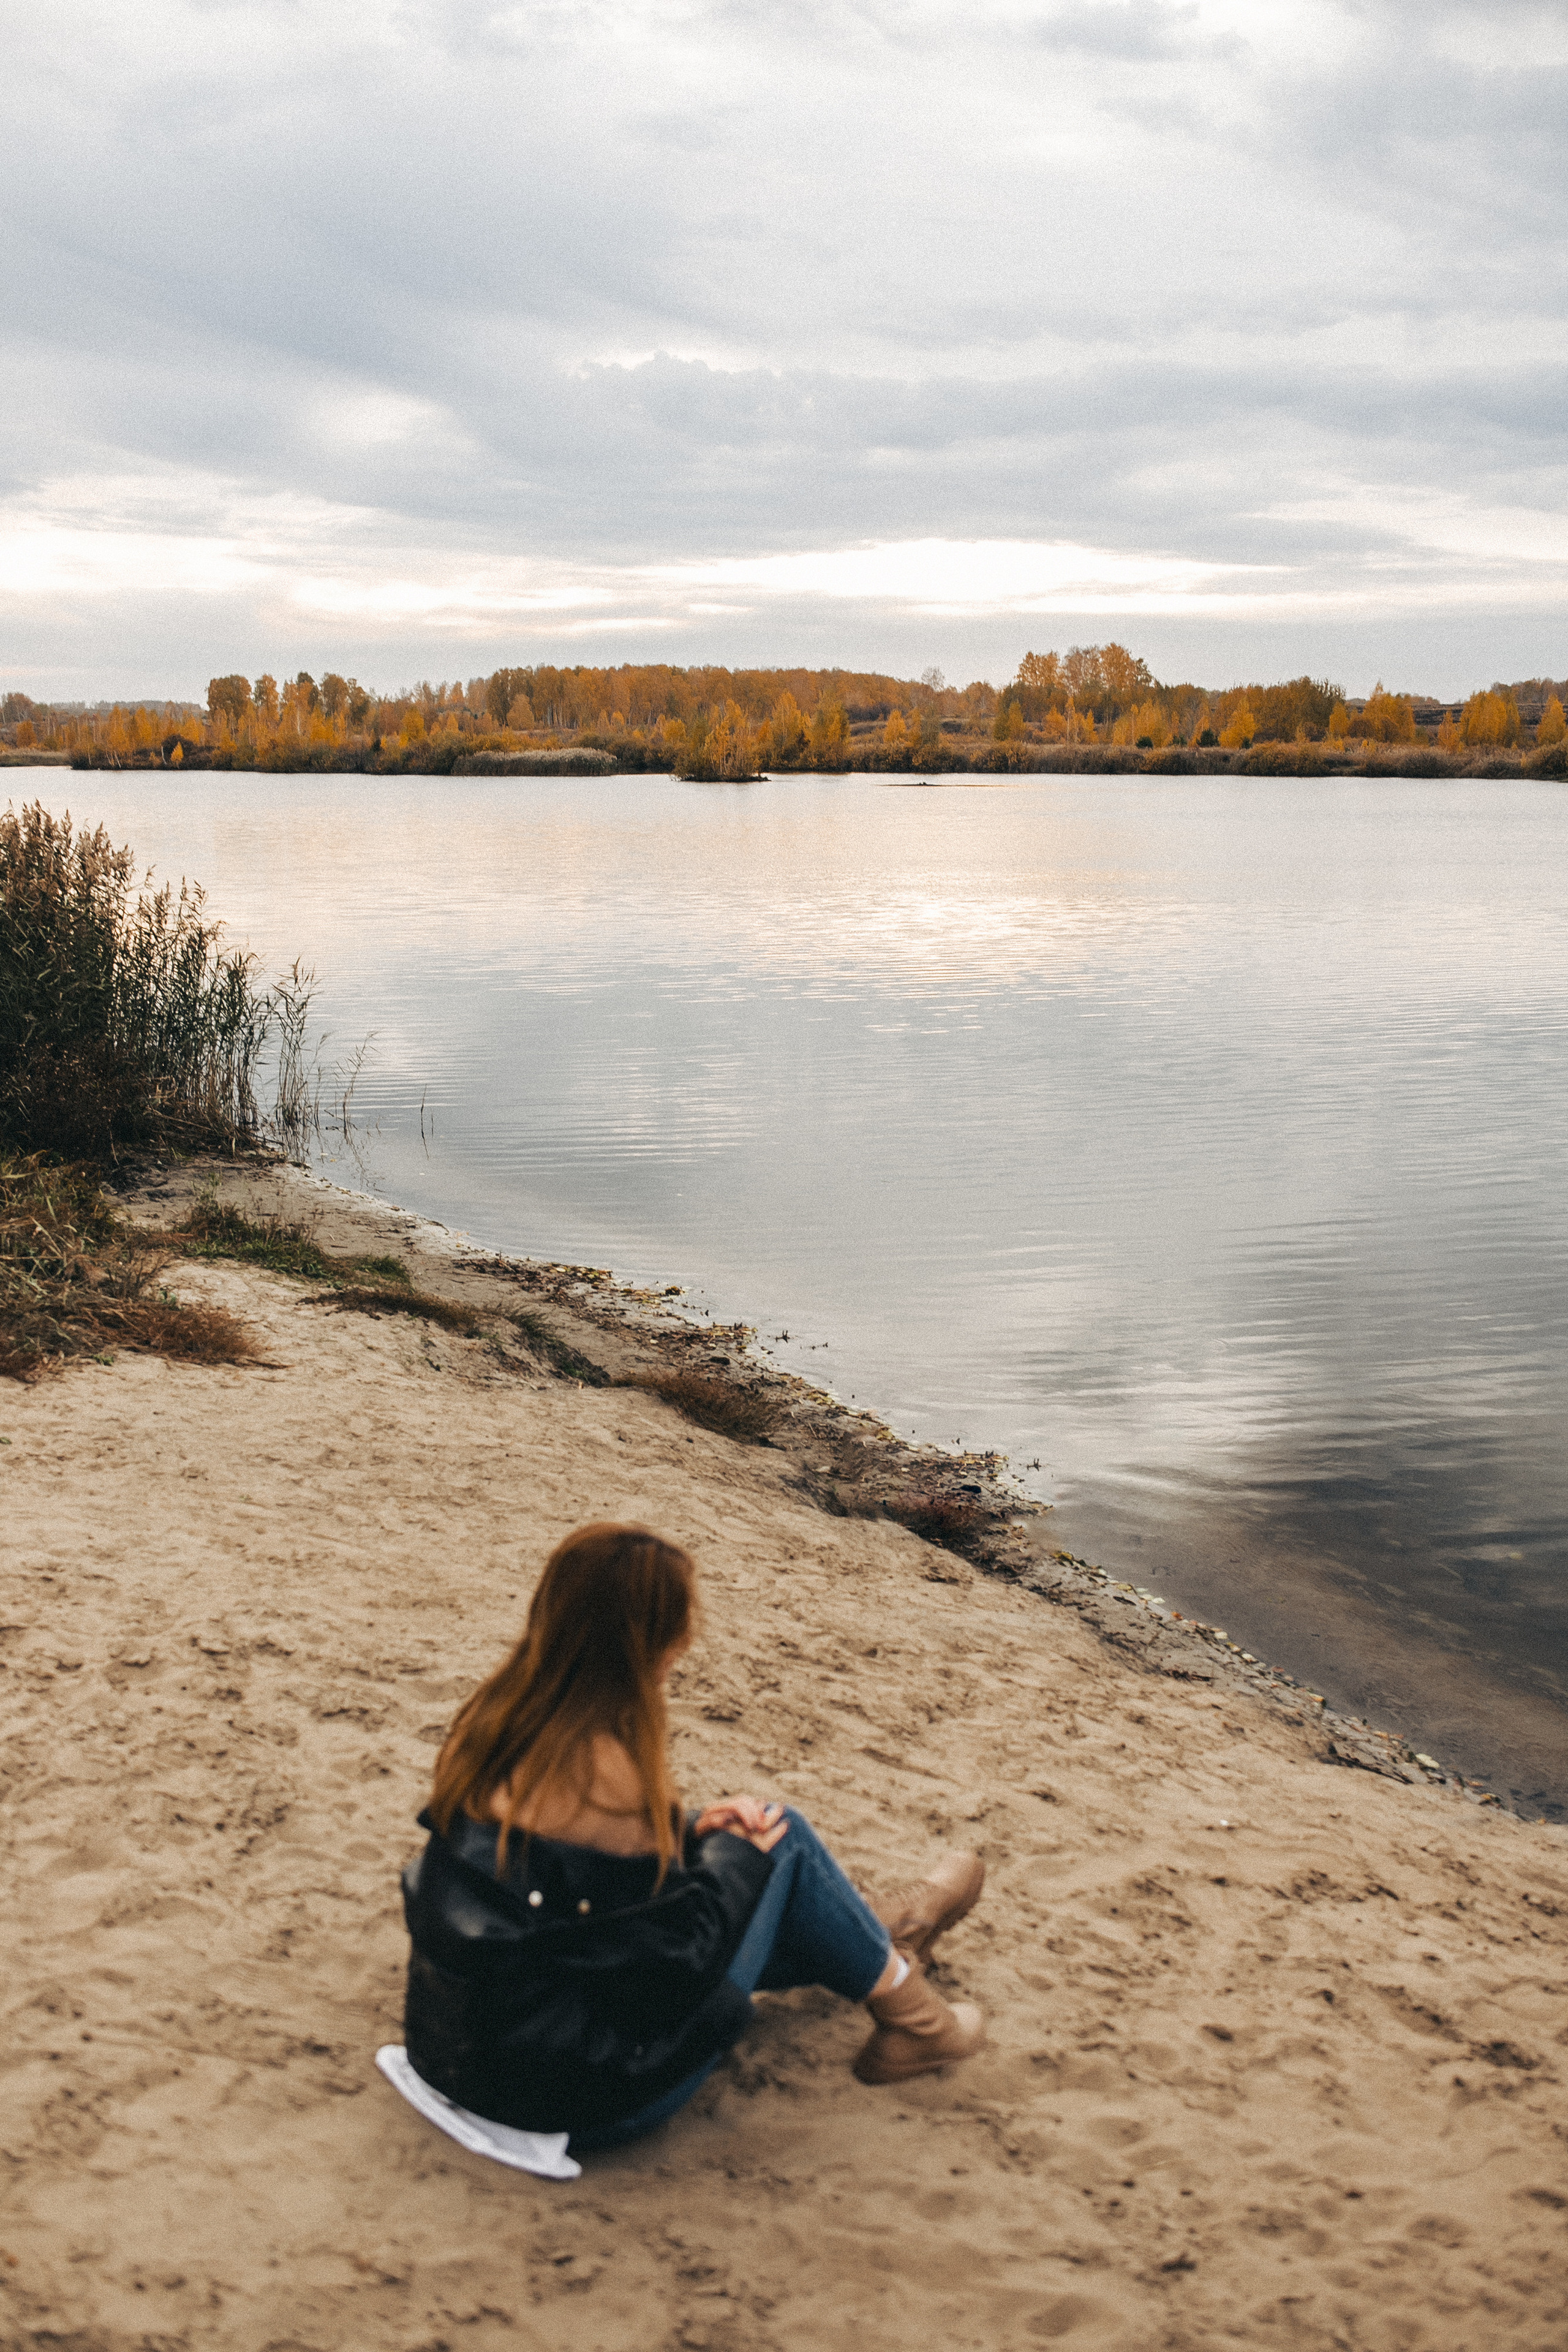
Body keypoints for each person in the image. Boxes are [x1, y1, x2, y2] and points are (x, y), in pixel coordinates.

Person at [399, 1521, 985, 2154]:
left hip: (455, 2053)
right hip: (584, 2098)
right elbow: (669, 1966)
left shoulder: (492, 1720)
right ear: (655, 1642)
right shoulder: (608, 1771)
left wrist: (690, 1829)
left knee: (752, 1847)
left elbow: (560, 1860)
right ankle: (918, 2018)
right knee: (781, 1836)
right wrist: (734, 1857)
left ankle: (880, 1936)